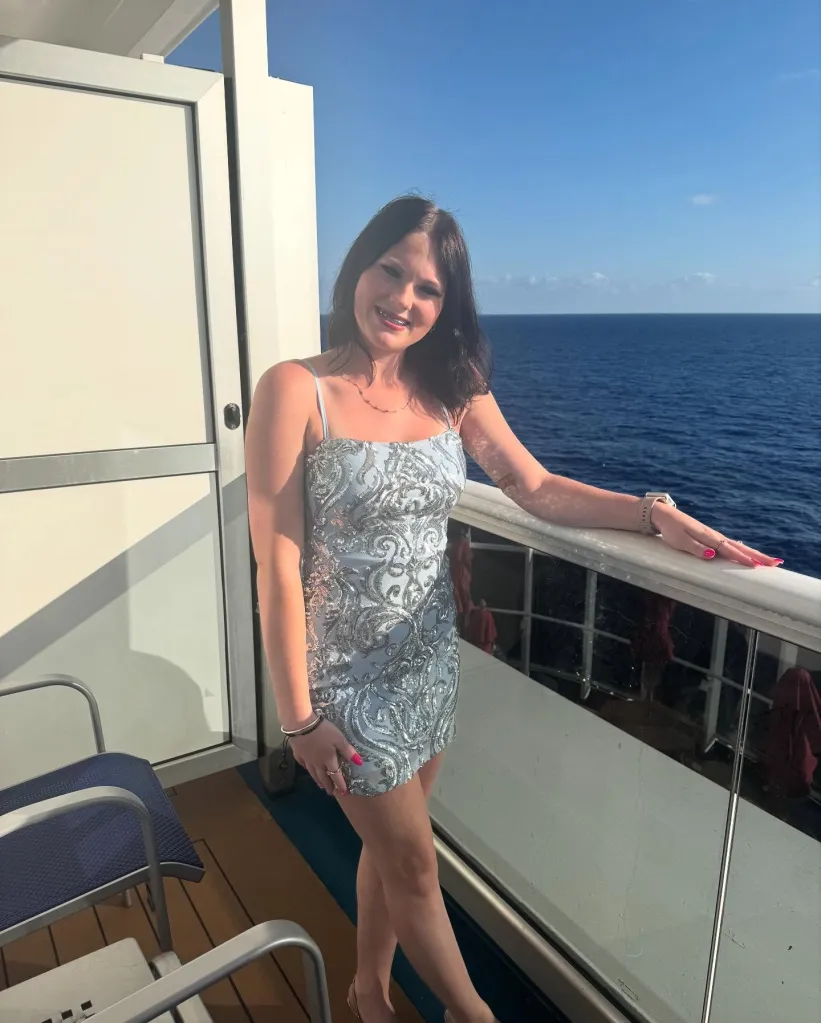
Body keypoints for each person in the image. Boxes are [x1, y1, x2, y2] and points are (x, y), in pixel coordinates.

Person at [244, 195, 782, 1023]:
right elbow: (275, 560)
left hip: (426, 657)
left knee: (397, 844)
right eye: (390, 270)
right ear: (357, 267)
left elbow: (534, 487)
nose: (403, 298)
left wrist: (650, 512)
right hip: (342, 683)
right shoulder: (295, 389)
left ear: (445, 306)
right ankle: (472, 1013)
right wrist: (298, 716)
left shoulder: (448, 389)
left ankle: (367, 990)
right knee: (418, 867)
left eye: (428, 288)